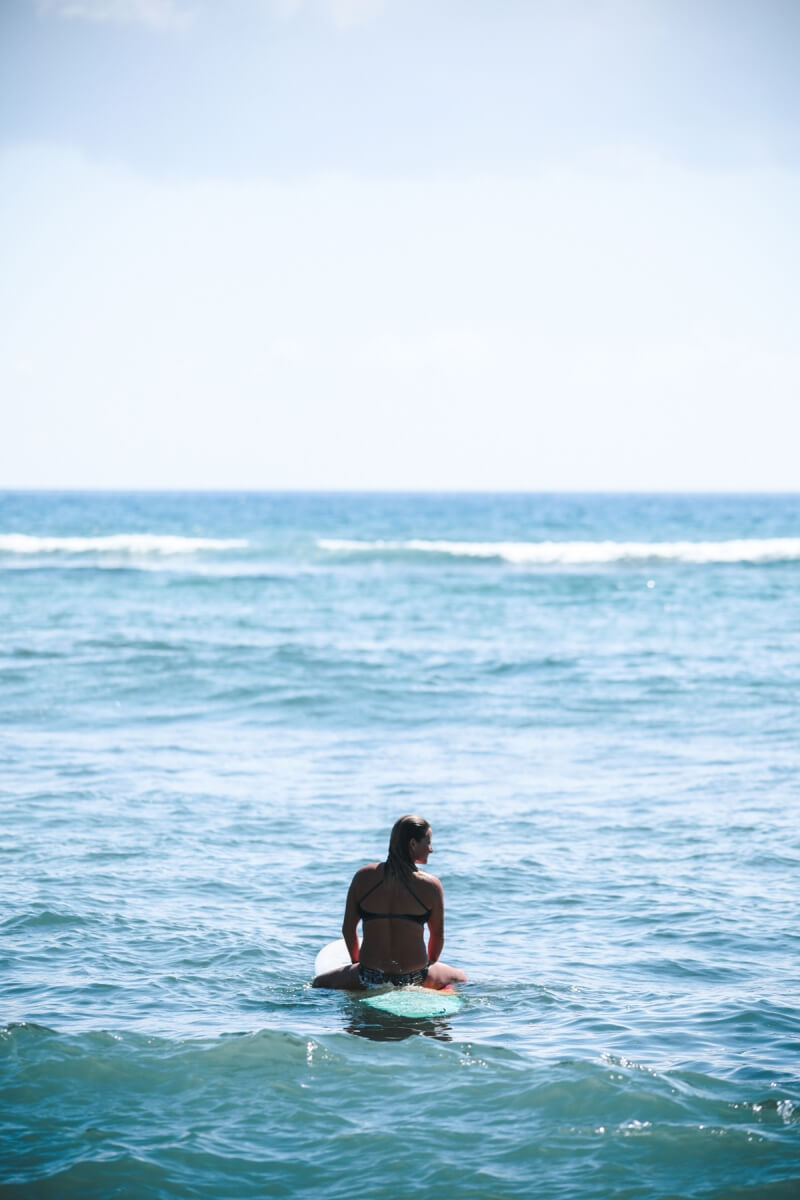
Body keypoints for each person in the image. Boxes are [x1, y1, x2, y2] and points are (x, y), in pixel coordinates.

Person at [312, 814, 467, 991]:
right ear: (412, 844)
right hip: (416, 977)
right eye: (428, 842)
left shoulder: (363, 877)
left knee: (318, 983)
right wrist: (429, 966)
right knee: (461, 977)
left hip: (368, 976)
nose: (431, 849)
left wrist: (357, 964)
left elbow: (348, 929)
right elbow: (437, 936)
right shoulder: (431, 885)